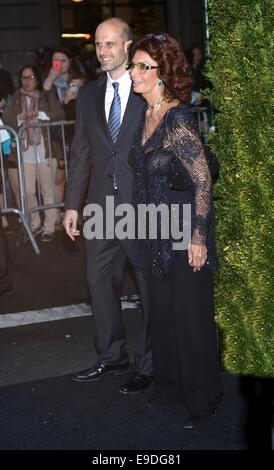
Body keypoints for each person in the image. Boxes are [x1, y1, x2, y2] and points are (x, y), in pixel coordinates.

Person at [127, 33, 223, 428]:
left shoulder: (176, 117)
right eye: (134, 65)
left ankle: (203, 400)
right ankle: (170, 389)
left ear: (162, 74)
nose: (134, 72)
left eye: (142, 66)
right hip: (155, 230)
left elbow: (202, 178)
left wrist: (198, 237)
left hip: (184, 230)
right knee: (163, 315)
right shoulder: (145, 115)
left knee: (190, 318)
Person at [64, 18, 153, 394]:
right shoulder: (87, 95)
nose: (103, 51)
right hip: (100, 206)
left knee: (149, 286)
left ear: (128, 46)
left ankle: (150, 364)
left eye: (110, 44)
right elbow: (81, 152)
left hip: (142, 205)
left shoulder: (144, 86)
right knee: (97, 280)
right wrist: (71, 205)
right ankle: (112, 355)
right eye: (99, 44)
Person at [3, 65, 65, 241]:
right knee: (28, 190)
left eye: (30, 78)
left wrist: (41, 115)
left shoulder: (46, 95)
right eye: (24, 78)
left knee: (47, 189)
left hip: (45, 149)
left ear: (37, 79)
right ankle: (34, 223)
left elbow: (59, 114)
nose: (27, 81)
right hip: (24, 150)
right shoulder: (15, 97)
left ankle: (49, 227)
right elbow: (7, 119)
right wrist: (22, 118)